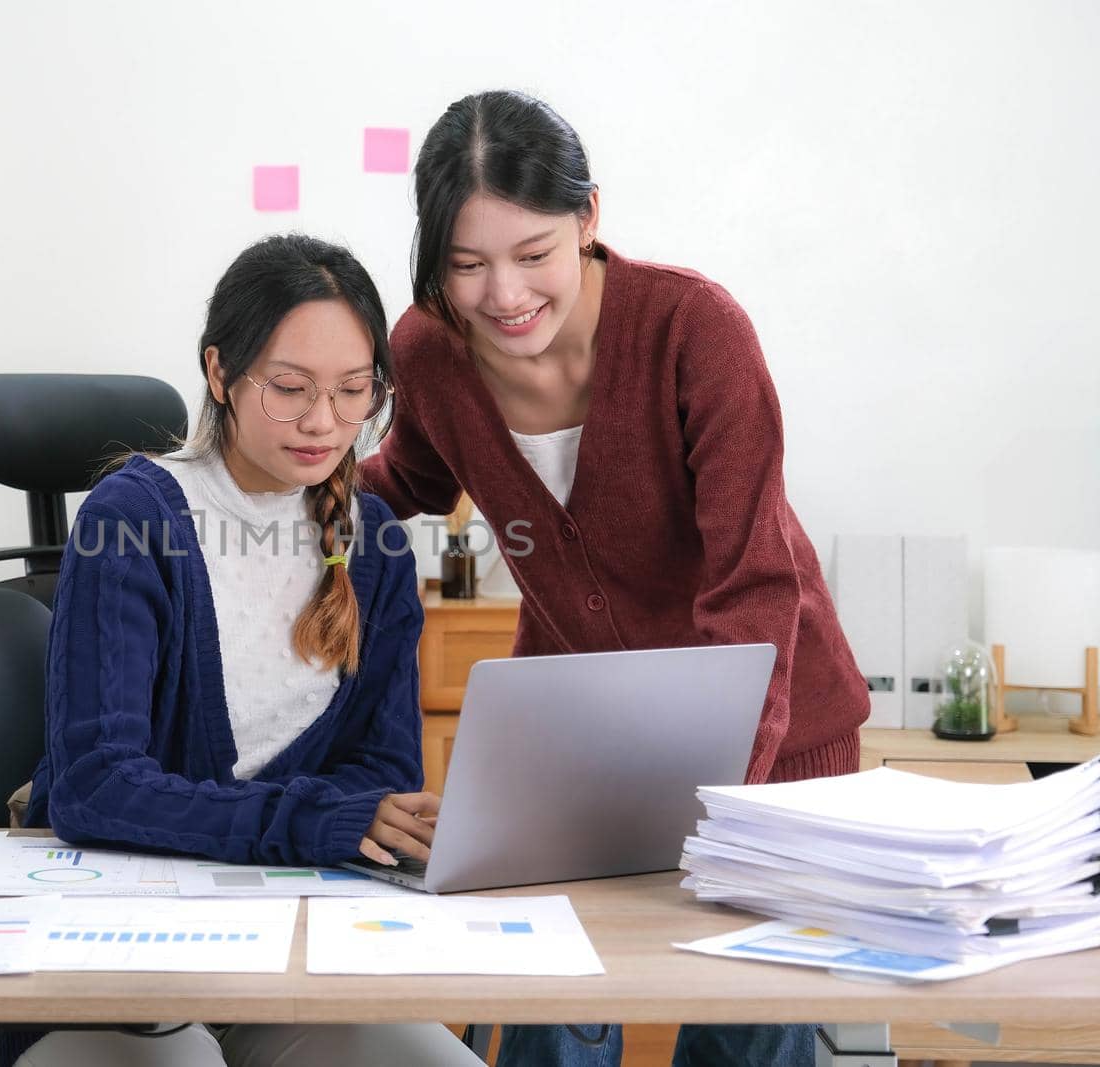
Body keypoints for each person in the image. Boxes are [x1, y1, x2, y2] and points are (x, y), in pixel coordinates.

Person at [358, 89, 869, 1067]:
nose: (503, 295)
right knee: (548, 1012)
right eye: (466, 265)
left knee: (742, 1023)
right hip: (574, 742)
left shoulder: (693, 330)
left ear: (588, 217)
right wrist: (268, 490)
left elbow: (754, 591)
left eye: (533, 253)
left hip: (775, 744)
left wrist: (714, 808)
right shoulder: (426, 349)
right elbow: (407, 478)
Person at [15, 234, 481, 1067]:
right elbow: (95, 785)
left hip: (294, 947)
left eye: (353, 392)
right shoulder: (132, 522)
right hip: (129, 952)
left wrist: (333, 823)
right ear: (221, 373)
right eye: (291, 388)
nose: (324, 422)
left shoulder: (371, 542)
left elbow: (383, 774)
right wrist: (313, 819)